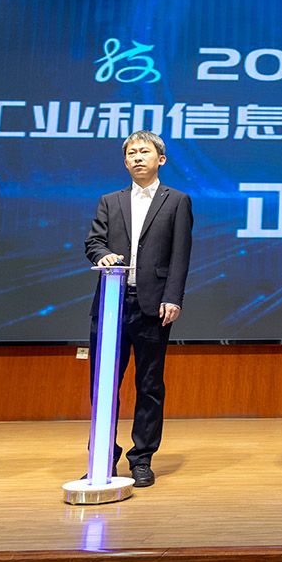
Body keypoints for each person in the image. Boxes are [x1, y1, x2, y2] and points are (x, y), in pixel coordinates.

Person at [84, 130, 192, 488]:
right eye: (131, 153)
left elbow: (180, 254)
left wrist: (173, 297)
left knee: (149, 385)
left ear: (161, 159)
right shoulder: (109, 201)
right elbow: (93, 242)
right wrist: (103, 255)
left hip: (153, 305)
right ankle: (102, 457)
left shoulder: (177, 201)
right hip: (111, 304)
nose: (137, 158)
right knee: (103, 384)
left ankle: (142, 457)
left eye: (144, 152)